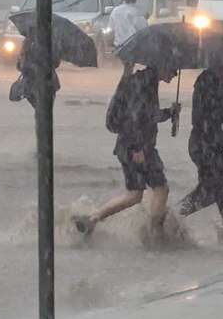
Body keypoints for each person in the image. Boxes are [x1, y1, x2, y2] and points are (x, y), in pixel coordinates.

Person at [74, 64, 181, 247]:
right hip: (138, 147)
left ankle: (92, 219)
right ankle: (155, 236)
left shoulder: (144, 81)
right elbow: (134, 117)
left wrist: (169, 113)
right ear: (161, 65)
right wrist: (137, 148)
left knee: (133, 195)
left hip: (128, 146)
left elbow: (147, 116)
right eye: (172, 68)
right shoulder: (145, 84)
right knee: (161, 189)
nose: (175, 73)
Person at [178, 65, 223, 242]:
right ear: (221, 67)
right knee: (214, 189)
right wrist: (222, 110)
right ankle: (172, 216)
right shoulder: (205, 82)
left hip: (214, 146)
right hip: (202, 145)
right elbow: (200, 117)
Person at [10, 37, 60, 111]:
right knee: (45, 110)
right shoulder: (47, 43)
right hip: (45, 83)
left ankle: (41, 120)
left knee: (41, 111)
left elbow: (20, 66)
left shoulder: (26, 45)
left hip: (33, 85)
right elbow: (56, 63)